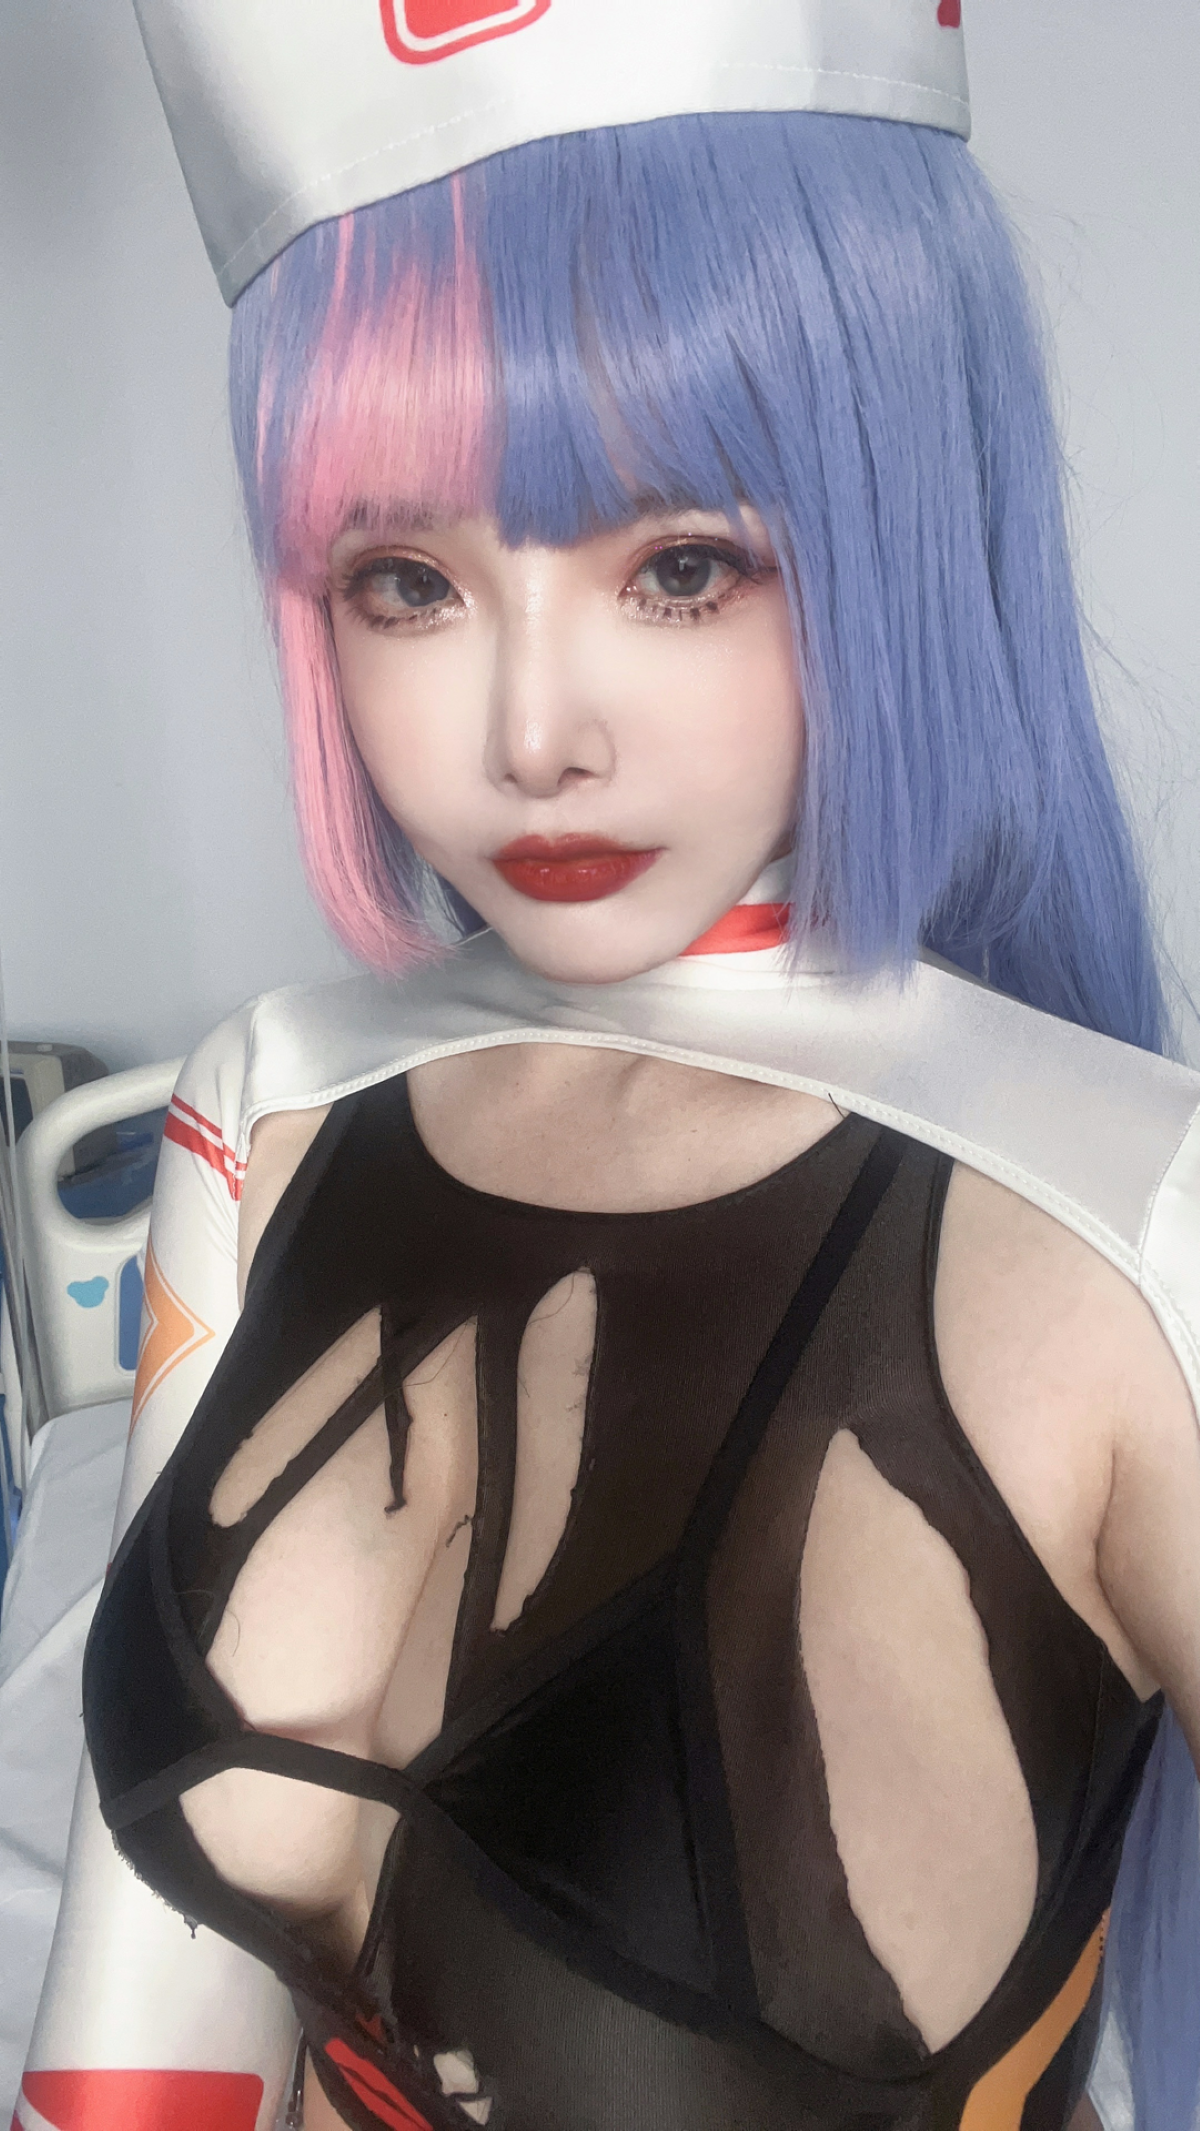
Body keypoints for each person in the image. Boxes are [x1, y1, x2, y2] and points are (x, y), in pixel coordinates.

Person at [19, 5, 1200, 2130]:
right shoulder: (265, 1102)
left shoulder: (1143, 1218)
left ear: (901, 521)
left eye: (680, 566)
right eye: (408, 580)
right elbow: (143, 2031)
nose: (531, 732)